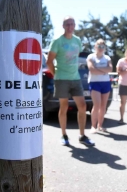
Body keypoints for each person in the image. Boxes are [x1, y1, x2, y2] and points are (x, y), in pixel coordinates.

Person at [46, 16, 95, 146]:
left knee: (83, 106)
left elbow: (75, 57)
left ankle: (82, 135)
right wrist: (56, 74)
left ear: (74, 26)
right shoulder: (57, 41)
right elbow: (49, 61)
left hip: (75, 78)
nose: (70, 26)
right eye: (67, 24)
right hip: (61, 79)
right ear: (63, 26)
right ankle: (64, 135)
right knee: (64, 107)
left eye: (72, 24)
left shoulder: (77, 41)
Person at [86, 39, 113, 133]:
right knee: (96, 104)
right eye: (99, 46)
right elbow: (91, 69)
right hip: (94, 83)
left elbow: (110, 68)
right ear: (95, 47)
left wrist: (98, 68)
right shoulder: (91, 56)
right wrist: (103, 70)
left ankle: (100, 125)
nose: (101, 48)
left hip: (105, 83)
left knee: (103, 106)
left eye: (102, 46)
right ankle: (93, 126)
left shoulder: (107, 58)